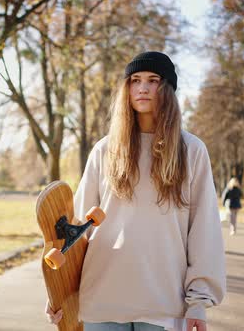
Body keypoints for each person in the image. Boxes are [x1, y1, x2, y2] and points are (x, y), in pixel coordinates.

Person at [45, 51, 226, 331]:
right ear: (126, 89)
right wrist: (58, 292)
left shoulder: (191, 151)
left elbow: (204, 231)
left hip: (163, 303)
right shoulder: (105, 150)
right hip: (101, 299)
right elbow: (77, 230)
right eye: (135, 80)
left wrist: (199, 303)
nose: (142, 88)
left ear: (167, 89)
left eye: (153, 80)